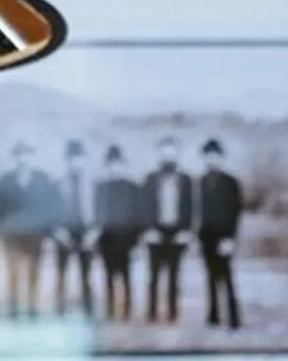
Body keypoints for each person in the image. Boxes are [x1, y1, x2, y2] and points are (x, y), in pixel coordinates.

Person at [0, 140, 57, 320]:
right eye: (20, 155)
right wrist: (0, 230)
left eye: (27, 154)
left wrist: (48, 232)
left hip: (35, 235)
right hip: (12, 236)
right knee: (13, 272)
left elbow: (49, 207)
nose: (23, 159)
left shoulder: (42, 179)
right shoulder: (6, 180)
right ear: (15, 158)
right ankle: (13, 308)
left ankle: (32, 307)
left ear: (32, 157)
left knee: (34, 272)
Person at [142, 134, 193, 324]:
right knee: (154, 276)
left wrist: (186, 232)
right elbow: (144, 207)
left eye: (172, 153)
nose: (168, 156)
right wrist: (148, 230)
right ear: (159, 154)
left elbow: (190, 208)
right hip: (155, 232)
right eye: (164, 153)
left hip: (177, 233)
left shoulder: (186, 180)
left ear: (177, 155)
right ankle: (152, 314)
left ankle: (173, 313)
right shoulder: (150, 179)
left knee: (174, 275)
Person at [196, 136, 243, 329]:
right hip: (206, 237)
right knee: (210, 276)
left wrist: (230, 239)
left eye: (215, 156)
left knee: (227, 276)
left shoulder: (231, 183)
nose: (211, 160)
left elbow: (235, 212)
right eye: (208, 157)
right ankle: (213, 316)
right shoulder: (200, 182)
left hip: (224, 237)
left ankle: (233, 318)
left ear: (222, 158)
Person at [95, 145, 143, 320]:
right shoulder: (100, 188)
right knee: (108, 278)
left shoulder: (133, 188)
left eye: (118, 164)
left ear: (123, 165)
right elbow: (97, 215)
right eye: (111, 164)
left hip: (126, 242)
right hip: (107, 241)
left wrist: (136, 243)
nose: (114, 168)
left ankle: (127, 312)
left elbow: (138, 217)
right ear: (107, 167)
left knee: (126, 278)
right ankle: (109, 311)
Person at [53, 137, 98, 320]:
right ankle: (60, 310)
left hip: (86, 232)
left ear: (84, 160)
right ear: (66, 161)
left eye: (79, 158)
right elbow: (51, 210)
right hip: (64, 232)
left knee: (86, 274)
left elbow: (100, 210)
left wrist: (94, 233)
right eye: (71, 159)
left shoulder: (92, 184)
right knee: (62, 273)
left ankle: (88, 309)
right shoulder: (58, 184)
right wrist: (58, 231)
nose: (75, 163)